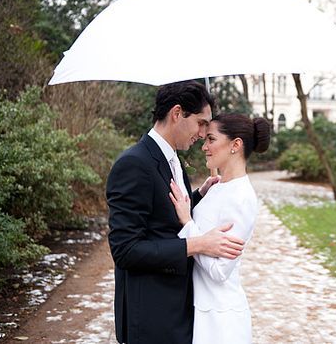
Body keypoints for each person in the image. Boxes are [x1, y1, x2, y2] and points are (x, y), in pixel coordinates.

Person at [106, 80, 246, 344]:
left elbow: (161, 215)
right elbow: (125, 250)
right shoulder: (133, 164)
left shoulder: (171, 159)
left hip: (177, 308)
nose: (205, 133)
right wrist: (199, 244)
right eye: (202, 123)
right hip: (152, 314)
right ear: (177, 113)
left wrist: (198, 196)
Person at [168, 113, 271, 344]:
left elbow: (220, 272)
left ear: (236, 145)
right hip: (202, 312)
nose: (204, 146)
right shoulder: (218, 187)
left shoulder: (242, 198)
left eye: (211, 139)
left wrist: (188, 224)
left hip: (221, 322)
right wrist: (201, 196)